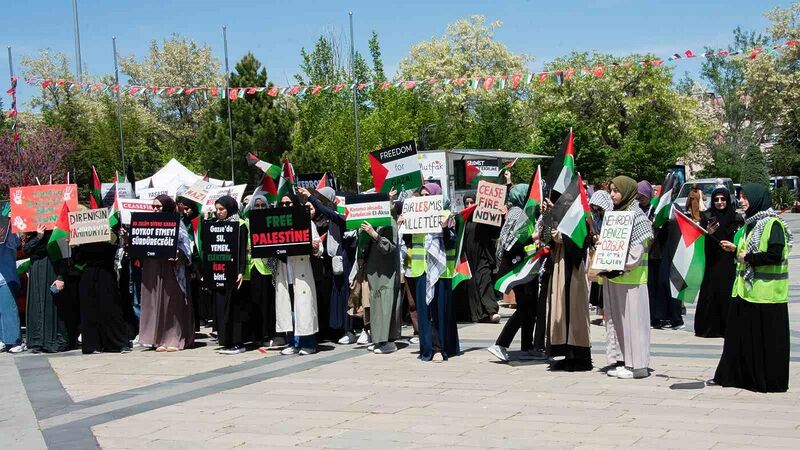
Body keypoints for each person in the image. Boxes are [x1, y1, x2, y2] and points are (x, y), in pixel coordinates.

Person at [713, 183, 792, 393]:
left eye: (745, 197)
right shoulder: (751, 224)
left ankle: (764, 381)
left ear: (757, 199)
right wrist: (735, 250)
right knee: (741, 339)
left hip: (767, 296)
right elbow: (747, 252)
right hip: (746, 292)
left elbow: (774, 255)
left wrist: (746, 257)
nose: (741, 200)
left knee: (765, 343)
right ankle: (741, 377)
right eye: (740, 196)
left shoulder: (772, 224)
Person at [602, 176, 654, 379]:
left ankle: (638, 365)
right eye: (611, 191)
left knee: (634, 323)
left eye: (616, 191)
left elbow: (637, 251)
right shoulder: (617, 214)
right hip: (616, 278)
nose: (613, 195)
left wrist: (618, 264)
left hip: (633, 279)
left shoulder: (637, 216)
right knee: (619, 323)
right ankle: (624, 361)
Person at [487, 184, 546, 362]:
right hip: (519, 267)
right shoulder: (517, 213)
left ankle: (528, 346)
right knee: (525, 308)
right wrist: (532, 237)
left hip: (527, 265)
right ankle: (500, 343)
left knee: (530, 308)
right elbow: (508, 241)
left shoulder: (524, 212)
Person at [402, 183, 460, 362]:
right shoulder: (416, 215)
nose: (425, 198)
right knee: (425, 311)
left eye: (428, 195)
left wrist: (445, 228)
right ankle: (430, 347)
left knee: (441, 311)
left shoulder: (448, 215)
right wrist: (403, 225)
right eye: (422, 195)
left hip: (441, 270)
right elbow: (409, 241)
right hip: (422, 269)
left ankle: (443, 347)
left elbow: (452, 243)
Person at [137, 195, 194, 352]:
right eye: (153, 206)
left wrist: (178, 253)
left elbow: (186, 245)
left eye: (159, 206)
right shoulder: (146, 223)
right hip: (153, 268)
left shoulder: (177, 222)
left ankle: (174, 338)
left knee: (172, 303)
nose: (155, 209)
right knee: (156, 303)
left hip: (172, 269)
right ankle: (159, 339)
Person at [301, 187, 358, 345]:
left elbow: (329, 212)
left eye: (322, 198)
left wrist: (311, 198)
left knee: (346, 294)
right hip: (335, 259)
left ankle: (350, 330)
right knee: (338, 294)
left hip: (345, 259)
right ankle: (341, 329)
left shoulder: (340, 214)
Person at [546, 189, 593, 372]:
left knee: (574, 311)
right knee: (562, 310)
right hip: (561, 264)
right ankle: (566, 353)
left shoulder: (579, 218)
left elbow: (563, 236)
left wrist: (554, 220)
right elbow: (548, 237)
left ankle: (579, 356)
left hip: (573, 267)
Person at [16, 224, 77, 353]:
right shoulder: (34, 234)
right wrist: (39, 236)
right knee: (37, 304)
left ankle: (53, 340)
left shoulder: (58, 232)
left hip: (52, 272)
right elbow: (26, 250)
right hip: (36, 273)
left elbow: (65, 255)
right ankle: (38, 341)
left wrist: (61, 277)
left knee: (52, 305)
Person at [275, 193, 323, 355]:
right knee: (288, 309)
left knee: (303, 308)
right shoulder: (275, 224)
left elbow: (318, 246)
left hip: (301, 272)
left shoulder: (306, 222)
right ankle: (292, 342)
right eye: (282, 205)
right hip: (284, 272)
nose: (285, 207)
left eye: (288, 204)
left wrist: (316, 247)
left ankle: (308, 343)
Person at [73, 235, 132, 354]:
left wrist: (111, 237)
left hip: (106, 273)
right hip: (88, 274)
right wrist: (74, 246)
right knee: (89, 310)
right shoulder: (80, 237)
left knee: (111, 308)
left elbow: (112, 252)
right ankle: (93, 345)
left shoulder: (109, 232)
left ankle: (118, 343)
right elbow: (77, 260)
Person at [696, 187, 742, 338]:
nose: (720, 202)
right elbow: (700, 242)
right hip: (713, 262)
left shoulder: (736, 218)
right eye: (716, 199)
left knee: (728, 293)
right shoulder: (708, 217)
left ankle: (729, 327)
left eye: (723, 199)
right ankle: (711, 328)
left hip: (730, 262)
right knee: (712, 292)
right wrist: (708, 234)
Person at [208, 196, 248, 355]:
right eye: (216, 209)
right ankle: (226, 341)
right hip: (219, 273)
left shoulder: (240, 225)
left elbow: (242, 250)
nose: (218, 213)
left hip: (234, 274)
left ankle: (237, 342)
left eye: (221, 209)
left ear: (230, 209)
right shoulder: (215, 226)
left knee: (234, 308)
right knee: (221, 307)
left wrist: (241, 271)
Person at [241, 195, 281, 349]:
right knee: (254, 303)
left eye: (262, 205)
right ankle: (256, 335)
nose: (259, 208)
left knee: (268, 303)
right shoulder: (247, 223)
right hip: (252, 268)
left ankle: (270, 334)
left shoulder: (271, 221)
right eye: (256, 206)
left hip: (267, 268)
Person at [457, 193, 501, 324]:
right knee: (471, 286)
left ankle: (492, 311)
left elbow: (495, 231)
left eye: (472, 202)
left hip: (483, 257)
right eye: (467, 203)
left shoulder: (484, 218)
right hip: (467, 260)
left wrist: (499, 216)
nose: (470, 206)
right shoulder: (462, 220)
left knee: (484, 282)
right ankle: (478, 314)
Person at [360, 216, 400, 354]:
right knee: (377, 307)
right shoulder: (375, 222)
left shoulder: (390, 222)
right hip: (375, 272)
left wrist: (374, 235)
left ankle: (389, 341)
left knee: (386, 305)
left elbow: (390, 247)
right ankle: (378, 339)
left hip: (386, 273)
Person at [588, 190, 613, 324]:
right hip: (598, 252)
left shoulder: (611, 216)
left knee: (606, 285)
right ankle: (602, 313)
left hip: (609, 253)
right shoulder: (596, 216)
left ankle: (607, 314)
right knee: (599, 285)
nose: (597, 210)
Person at [0, 221, 22, 352]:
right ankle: (3, 339)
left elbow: (16, 243)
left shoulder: (10, 228)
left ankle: (15, 341)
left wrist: (10, 224)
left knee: (8, 310)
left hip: (6, 277)